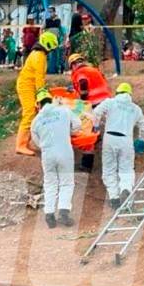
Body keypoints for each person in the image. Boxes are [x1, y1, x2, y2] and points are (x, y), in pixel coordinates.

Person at [92, 82, 144, 209]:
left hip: (109, 138)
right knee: (127, 169)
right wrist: (141, 139)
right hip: (126, 140)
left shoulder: (110, 102)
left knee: (109, 170)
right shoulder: (135, 108)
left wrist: (96, 126)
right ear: (129, 94)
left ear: (117, 93)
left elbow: (96, 113)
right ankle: (126, 189)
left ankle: (114, 198)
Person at [30, 88, 81, 228]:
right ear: (51, 100)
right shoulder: (64, 110)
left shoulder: (36, 121)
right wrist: (67, 132)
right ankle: (64, 213)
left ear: (38, 104)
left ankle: (49, 215)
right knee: (66, 182)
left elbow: (37, 142)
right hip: (64, 150)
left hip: (47, 154)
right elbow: (77, 125)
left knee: (50, 183)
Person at [15, 32, 59, 156]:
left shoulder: (37, 54)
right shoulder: (39, 56)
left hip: (28, 85)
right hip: (26, 86)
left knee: (32, 113)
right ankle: (21, 145)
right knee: (29, 114)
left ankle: (25, 143)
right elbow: (39, 79)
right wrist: (43, 97)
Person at [45, 6, 65, 74]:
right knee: (49, 56)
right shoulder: (47, 20)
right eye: (49, 11)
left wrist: (63, 41)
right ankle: (50, 70)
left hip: (55, 40)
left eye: (51, 11)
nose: (50, 13)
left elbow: (62, 32)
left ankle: (54, 70)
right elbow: (42, 28)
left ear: (54, 11)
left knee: (55, 56)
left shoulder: (58, 20)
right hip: (48, 40)